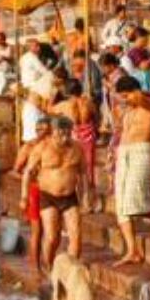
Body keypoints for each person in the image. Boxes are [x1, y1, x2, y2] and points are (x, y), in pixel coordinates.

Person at [112, 76, 150, 266]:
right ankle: (132, 250)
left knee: (134, 201)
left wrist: (133, 95)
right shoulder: (128, 110)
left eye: (126, 95)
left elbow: (142, 99)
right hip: (123, 153)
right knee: (121, 207)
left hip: (141, 151)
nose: (124, 99)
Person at [22, 117, 83, 263]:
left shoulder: (76, 148)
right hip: (48, 197)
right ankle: (50, 267)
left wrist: (87, 194)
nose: (64, 138)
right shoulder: (41, 148)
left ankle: (70, 270)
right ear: (53, 133)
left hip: (70, 197)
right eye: (60, 135)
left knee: (76, 236)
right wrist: (24, 196)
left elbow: (84, 173)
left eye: (67, 134)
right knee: (52, 237)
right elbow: (27, 172)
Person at [53, 79, 98, 213]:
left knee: (75, 170)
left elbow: (48, 109)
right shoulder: (88, 103)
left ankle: (79, 202)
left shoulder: (64, 105)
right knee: (88, 170)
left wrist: (54, 92)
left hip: (74, 138)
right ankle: (89, 203)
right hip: (88, 136)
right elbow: (96, 117)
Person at [15, 117, 52, 277]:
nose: (40, 133)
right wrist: (29, 177)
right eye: (38, 130)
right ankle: (36, 267)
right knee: (37, 231)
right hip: (35, 191)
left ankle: (47, 264)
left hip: (51, 190)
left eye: (44, 130)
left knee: (51, 231)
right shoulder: (28, 147)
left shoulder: (54, 146)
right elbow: (17, 168)